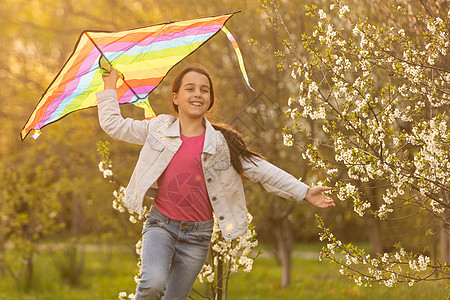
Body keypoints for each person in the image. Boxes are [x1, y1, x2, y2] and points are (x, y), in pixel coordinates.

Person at [97, 65, 335, 300]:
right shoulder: (158, 128)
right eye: (190, 89)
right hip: (161, 225)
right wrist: (110, 85)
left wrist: (304, 192)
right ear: (175, 97)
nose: (198, 94)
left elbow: (262, 170)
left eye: (204, 90)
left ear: (210, 100)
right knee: (152, 285)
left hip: (197, 236)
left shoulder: (222, 144)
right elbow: (114, 125)